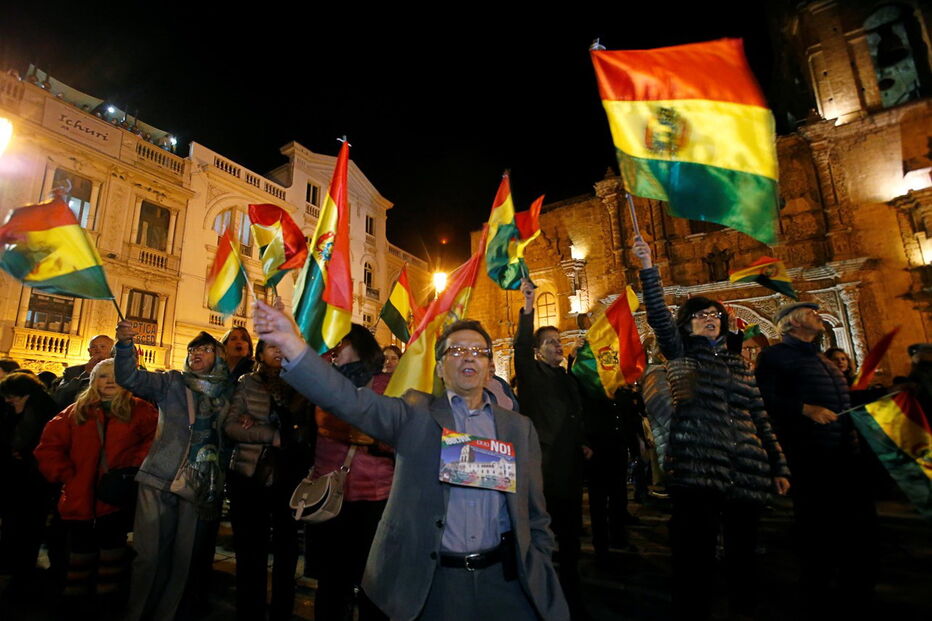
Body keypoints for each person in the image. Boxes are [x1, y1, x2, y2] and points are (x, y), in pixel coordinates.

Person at [254, 300, 569, 621]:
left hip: (505, 584)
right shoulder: (415, 416)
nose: (469, 356)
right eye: (456, 351)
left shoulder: (518, 427)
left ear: (490, 366)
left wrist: (539, 564)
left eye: (479, 351)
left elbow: (534, 513)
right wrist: (292, 345)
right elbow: (347, 400)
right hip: (436, 587)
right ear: (439, 368)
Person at [632, 237, 790, 620]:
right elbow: (657, 315)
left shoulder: (738, 366)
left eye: (715, 317)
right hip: (698, 472)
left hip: (744, 473)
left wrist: (778, 464)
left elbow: (758, 416)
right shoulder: (681, 353)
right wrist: (648, 266)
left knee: (744, 561)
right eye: (700, 315)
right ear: (688, 324)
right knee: (694, 560)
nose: (709, 320)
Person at [755, 301, 878, 618]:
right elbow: (764, 397)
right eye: (810, 314)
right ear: (793, 323)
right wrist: (805, 410)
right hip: (810, 453)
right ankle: (818, 590)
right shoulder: (775, 356)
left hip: (843, 453)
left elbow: (841, 399)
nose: (817, 316)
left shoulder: (821, 359)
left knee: (854, 525)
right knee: (817, 526)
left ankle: (855, 586)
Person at [113, 325, 231, 621]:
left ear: (219, 356)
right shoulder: (172, 383)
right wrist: (126, 345)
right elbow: (129, 378)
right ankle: (137, 613)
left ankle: (167, 615)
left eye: (204, 349)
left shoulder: (226, 393)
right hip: (159, 478)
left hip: (198, 485)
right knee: (149, 556)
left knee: (183, 560)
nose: (196, 354)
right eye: (192, 350)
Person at [33, 359, 157, 610]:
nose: (109, 381)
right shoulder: (75, 411)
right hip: (79, 498)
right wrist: (66, 474)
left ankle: (107, 600)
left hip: (114, 498)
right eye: (102, 376)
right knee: (80, 551)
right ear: (93, 381)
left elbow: (154, 441)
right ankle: (76, 601)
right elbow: (49, 447)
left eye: (115, 375)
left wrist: (131, 467)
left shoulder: (141, 410)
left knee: (113, 548)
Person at [514, 279, 588, 618]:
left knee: (571, 531)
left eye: (559, 342)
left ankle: (572, 587)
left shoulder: (568, 378)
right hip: (543, 467)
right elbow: (519, 347)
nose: (559, 347)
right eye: (552, 343)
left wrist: (583, 442)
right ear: (538, 349)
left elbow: (577, 414)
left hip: (570, 466)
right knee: (544, 532)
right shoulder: (531, 373)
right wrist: (528, 307)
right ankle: (541, 589)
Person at [224, 340, 312, 621]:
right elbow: (231, 425)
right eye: (270, 347)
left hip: (290, 477)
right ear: (259, 353)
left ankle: (282, 611)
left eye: (282, 346)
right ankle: (250, 610)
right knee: (250, 552)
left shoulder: (302, 385)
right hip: (250, 476)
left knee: (286, 554)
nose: (278, 351)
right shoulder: (248, 383)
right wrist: (268, 434)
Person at [310, 324, 393, 620]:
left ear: (358, 345)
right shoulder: (325, 384)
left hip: (373, 500)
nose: (334, 350)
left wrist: (372, 438)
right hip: (331, 498)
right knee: (331, 585)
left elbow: (398, 434)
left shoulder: (385, 384)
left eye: (339, 343)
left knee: (372, 585)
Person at [0, 371, 59, 600]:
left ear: (24, 394)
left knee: (29, 526)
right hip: (14, 479)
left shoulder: (44, 408)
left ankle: (22, 573)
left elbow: (43, 443)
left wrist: (22, 452)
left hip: (35, 481)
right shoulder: (11, 408)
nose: (7, 401)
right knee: (12, 523)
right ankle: (11, 564)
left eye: (11, 397)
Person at [52, 335, 115, 407]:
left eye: (103, 347)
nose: (98, 350)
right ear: (89, 351)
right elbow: (60, 396)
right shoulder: (72, 371)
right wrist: (86, 373)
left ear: (112, 351)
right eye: (93, 347)